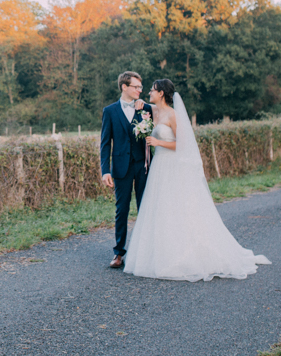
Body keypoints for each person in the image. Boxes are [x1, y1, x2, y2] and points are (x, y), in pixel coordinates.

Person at [123, 79, 271, 281]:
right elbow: (143, 109)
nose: (149, 92)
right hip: (158, 167)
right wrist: (140, 106)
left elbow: (182, 144)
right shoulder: (153, 112)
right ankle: (158, 253)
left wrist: (159, 142)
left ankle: (181, 254)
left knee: (176, 207)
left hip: (171, 165)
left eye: (152, 90)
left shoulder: (173, 115)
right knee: (160, 207)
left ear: (162, 93)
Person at [100, 71, 153, 269]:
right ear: (124, 87)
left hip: (143, 165)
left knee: (144, 207)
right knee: (121, 210)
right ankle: (119, 253)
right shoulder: (110, 111)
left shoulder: (146, 108)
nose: (140, 90)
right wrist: (105, 170)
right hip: (120, 168)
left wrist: (146, 109)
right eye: (136, 87)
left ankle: (145, 251)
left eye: (140, 87)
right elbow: (105, 143)